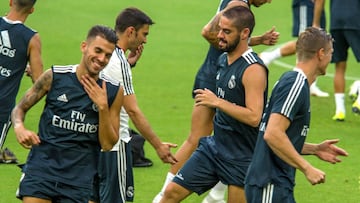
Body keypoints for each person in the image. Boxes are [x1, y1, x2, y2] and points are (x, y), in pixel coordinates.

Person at [153, 1, 278, 202]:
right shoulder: (223, 60)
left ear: (244, 33)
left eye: (226, 31)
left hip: (241, 157)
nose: (219, 35)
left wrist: (217, 102)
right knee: (170, 194)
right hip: (214, 148)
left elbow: (255, 117)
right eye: (220, 29)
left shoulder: (253, 70)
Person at [11, 25, 124, 203]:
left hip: (81, 178)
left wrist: (102, 108)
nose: (102, 59)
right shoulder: (55, 76)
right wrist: (19, 127)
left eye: (108, 55)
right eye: (98, 50)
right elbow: (19, 109)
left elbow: (108, 144)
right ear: (84, 47)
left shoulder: (113, 91)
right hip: (42, 169)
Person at [245, 27, 349, 203]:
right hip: (270, 183)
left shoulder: (295, 82)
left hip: (274, 183)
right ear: (321, 53)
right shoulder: (295, 84)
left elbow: (277, 136)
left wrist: (314, 149)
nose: (331, 58)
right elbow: (272, 134)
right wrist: (307, 168)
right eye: (331, 53)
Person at [89, 7, 177, 203]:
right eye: (144, 34)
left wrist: (129, 64)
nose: (145, 40)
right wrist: (158, 146)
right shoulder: (119, 62)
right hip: (115, 144)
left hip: (94, 142)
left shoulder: (105, 57)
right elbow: (133, 110)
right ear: (130, 31)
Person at [0, 0, 43, 163]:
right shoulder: (31, 38)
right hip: (2, 108)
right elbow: (40, 84)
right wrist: (32, 72)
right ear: (31, 10)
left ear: (10, 2)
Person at [259, 0, 329, 97]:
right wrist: (316, 23)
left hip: (314, 6)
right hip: (307, 4)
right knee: (305, 41)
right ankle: (269, 57)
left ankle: (310, 84)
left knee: (316, 43)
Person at [326, 0, 360, 121]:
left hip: (336, 22)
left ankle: (339, 111)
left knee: (339, 67)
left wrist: (315, 21)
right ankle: (359, 101)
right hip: (355, 21)